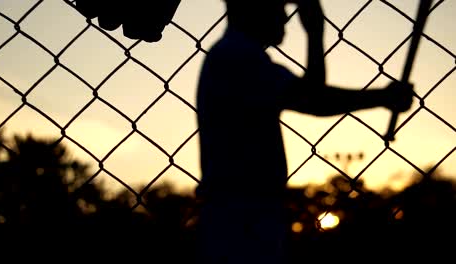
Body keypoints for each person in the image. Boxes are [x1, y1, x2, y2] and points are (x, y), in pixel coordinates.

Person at [74, 0, 413, 263]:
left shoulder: (239, 57)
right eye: (279, 6)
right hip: (242, 219)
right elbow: (314, 99)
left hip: (243, 215)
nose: (284, 17)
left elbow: (312, 95)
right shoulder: (237, 59)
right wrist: (378, 93)